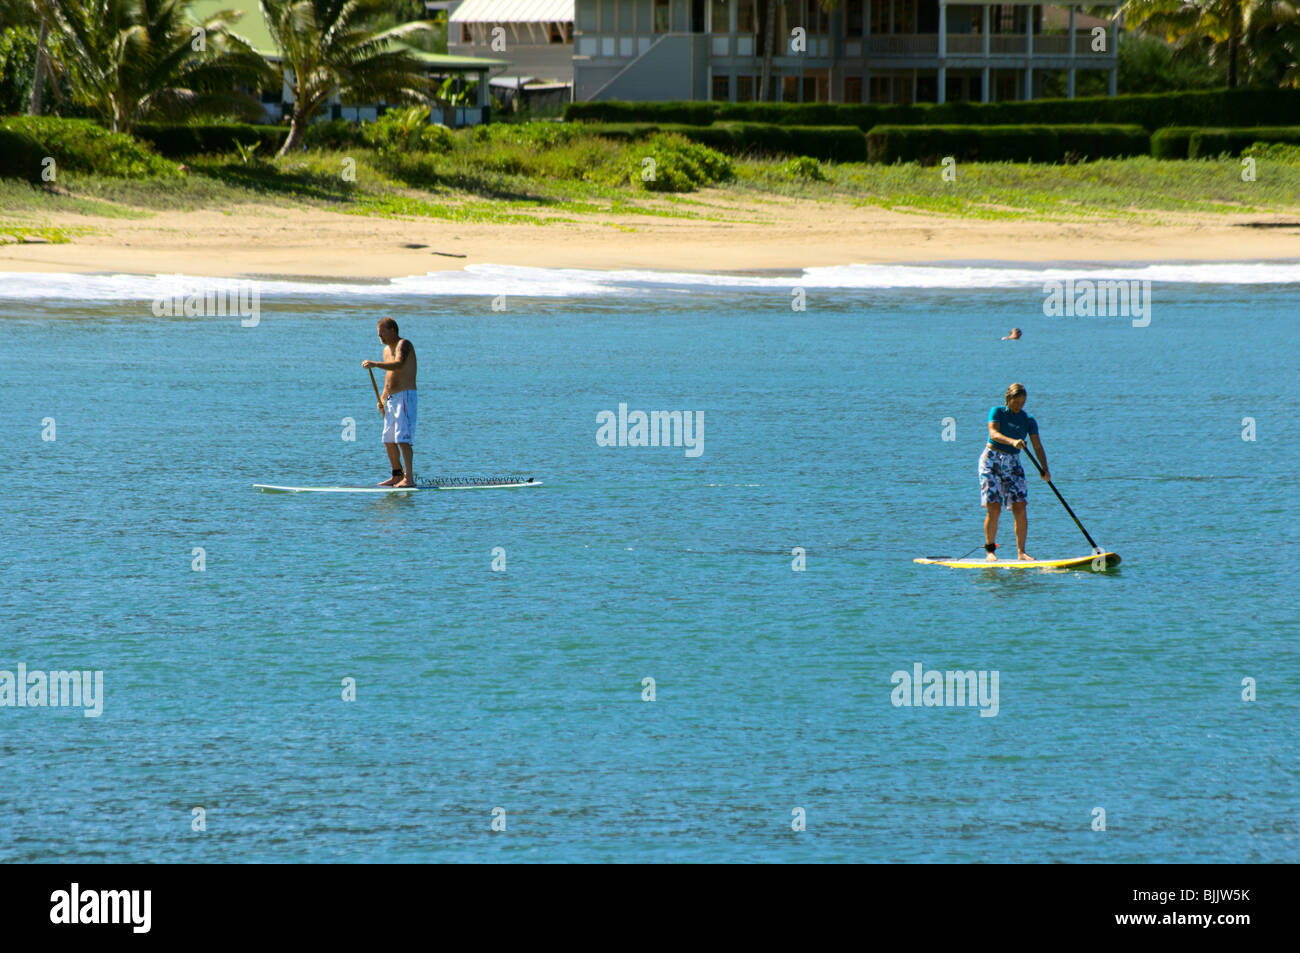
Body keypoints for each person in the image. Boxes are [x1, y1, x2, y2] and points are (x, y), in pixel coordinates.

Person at [980, 382, 1049, 561]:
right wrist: (1012, 441)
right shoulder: (997, 412)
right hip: (992, 460)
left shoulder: (1028, 420)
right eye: (1016, 402)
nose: (1019, 406)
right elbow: (994, 434)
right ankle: (990, 551)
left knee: (1020, 506)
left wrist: (1044, 469)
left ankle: (1021, 552)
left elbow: (1037, 446)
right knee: (994, 507)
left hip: (1013, 463)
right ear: (1008, 399)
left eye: (1022, 403)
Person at [362, 317, 418, 487]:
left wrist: (375, 364)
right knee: (388, 439)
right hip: (392, 399)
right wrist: (382, 398)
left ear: (393, 330)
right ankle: (396, 475)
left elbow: (399, 365)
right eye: (378, 334)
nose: (380, 337)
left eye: (382, 333)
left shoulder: (404, 344)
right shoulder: (386, 350)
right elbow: (389, 377)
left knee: (402, 438)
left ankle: (409, 479)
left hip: (405, 397)